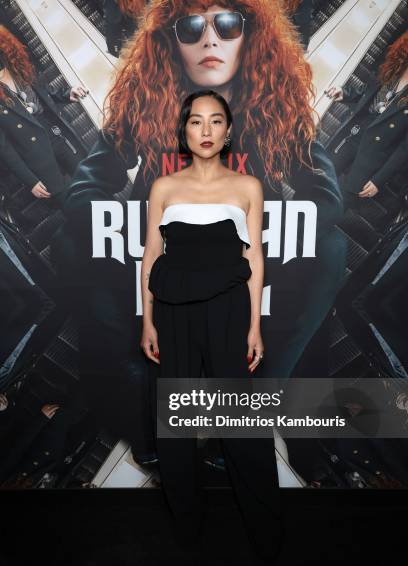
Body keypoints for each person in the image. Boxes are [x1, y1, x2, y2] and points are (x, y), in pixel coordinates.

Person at [63, 1, 344, 477]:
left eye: (227, 24)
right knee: (71, 244)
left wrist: (255, 232)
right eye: (192, 27)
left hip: (245, 257)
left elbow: (326, 197)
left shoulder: (276, 106)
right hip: (162, 253)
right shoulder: (147, 101)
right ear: (172, 41)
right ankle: (143, 403)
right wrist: (136, 228)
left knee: (331, 248)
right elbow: (85, 191)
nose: (210, 40)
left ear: (249, 35)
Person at [139, 89, 280, 557]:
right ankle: (187, 530)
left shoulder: (248, 187)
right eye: (196, 122)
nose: (205, 131)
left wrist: (255, 326)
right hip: (174, 309)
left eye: (215, 121)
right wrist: (149, 321)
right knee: (177, 422)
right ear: (184, 130)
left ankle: (264, 529)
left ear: (228, 131)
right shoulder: (163, 188)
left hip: (228, 309)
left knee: (239, 419)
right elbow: (150, 256)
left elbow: (254, 257)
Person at [0, 25, 88, 208]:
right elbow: (4, 146)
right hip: (36, 157)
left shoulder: (17, 65)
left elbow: (43, 91)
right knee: (74, 208)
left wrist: (67, 93)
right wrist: (29, 180)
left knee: (91, 183)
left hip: (55, 134)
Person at [325, 30, 408, 212]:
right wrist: (345, 93)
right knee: (317, 183)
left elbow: (405, 148)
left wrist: (380, 179)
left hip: (373, 156)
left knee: (335, 207)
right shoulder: (394, 67)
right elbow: (366, 93)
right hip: (354, 134)